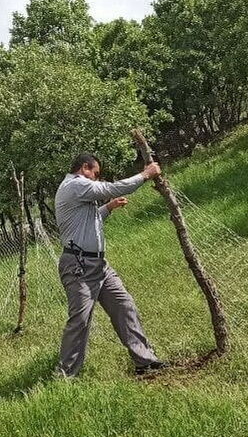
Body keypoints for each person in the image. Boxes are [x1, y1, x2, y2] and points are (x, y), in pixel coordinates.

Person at [54, 152, 167, 377]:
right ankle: (65, 375)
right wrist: (145, 174)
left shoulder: (78, 190)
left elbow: (87, 222)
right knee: (81, 320)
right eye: (95, 174)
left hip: (98, 265)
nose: (96, 179)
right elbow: (110, 188)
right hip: (79, 266)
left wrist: (108, 208)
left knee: (124, 305)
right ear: (85, 168)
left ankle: (144, 361)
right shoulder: (74, 186)